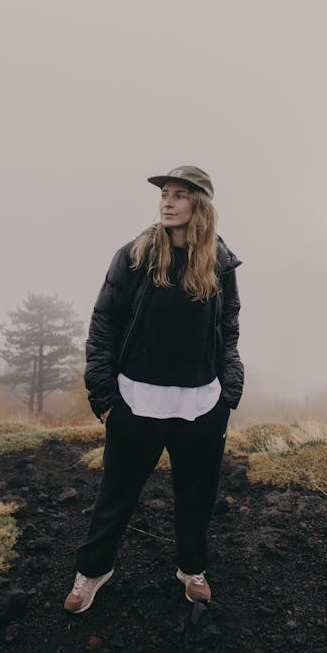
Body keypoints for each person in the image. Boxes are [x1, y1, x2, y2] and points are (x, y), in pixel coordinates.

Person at [64, 166, 244, 614]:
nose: (167, 201)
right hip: (136, 399)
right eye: (165, 193)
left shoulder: (221, 262)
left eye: (179, 195)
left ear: (199, 205)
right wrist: (104, 396)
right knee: (116, 494)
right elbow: (103, 324)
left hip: (201, 403)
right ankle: (93, 570)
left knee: (197, 495)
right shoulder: (134, 256)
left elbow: (229, 325)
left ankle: (191, 567)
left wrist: (229, 390)